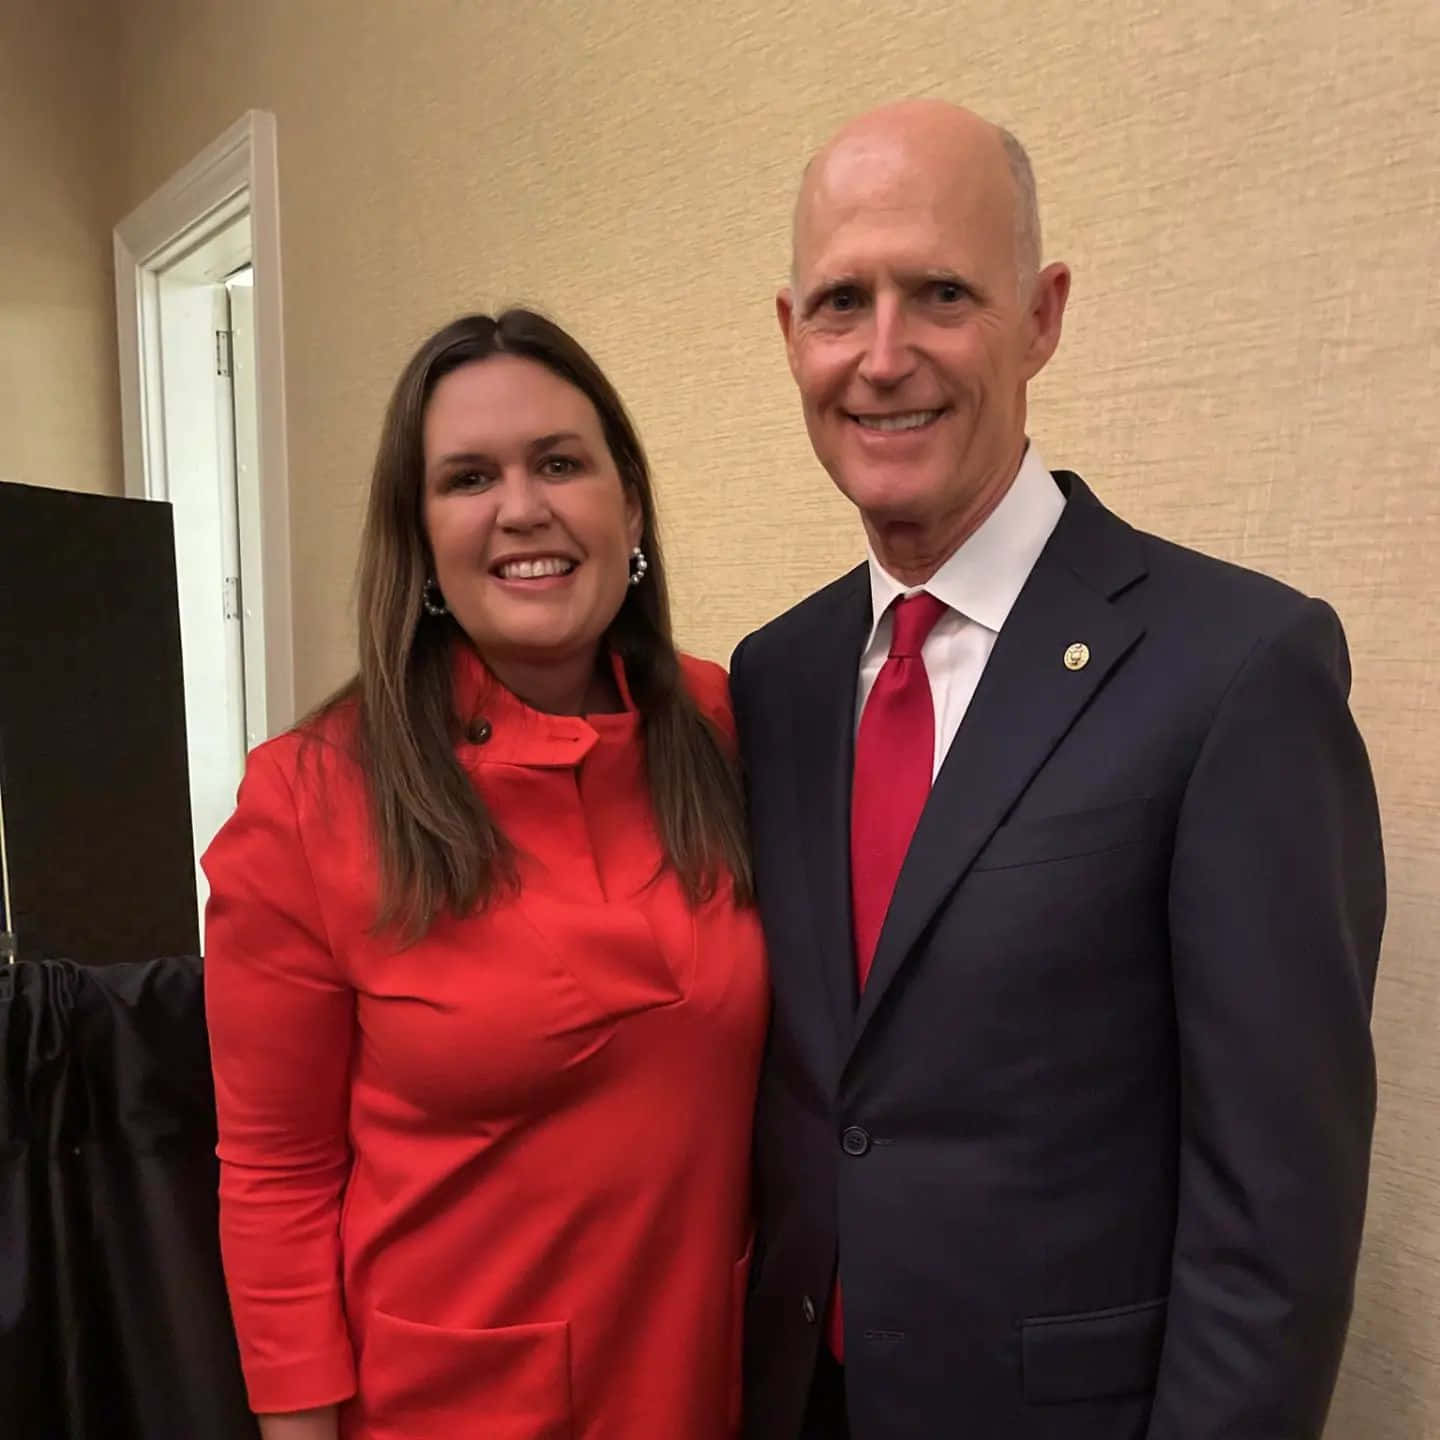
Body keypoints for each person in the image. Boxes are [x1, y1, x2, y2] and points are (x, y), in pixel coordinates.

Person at [731, 100, 1385, 1440]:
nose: (886, 355)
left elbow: (1275, 1225)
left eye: (944, 293)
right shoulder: (772, 680)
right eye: (845, 302)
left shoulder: (1237, 670)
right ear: (791, 336)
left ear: (1042, 315)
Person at [203, 309, 767, 1440]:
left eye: (561, 462)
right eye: (468, 477)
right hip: (452, 1409)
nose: (523, 508)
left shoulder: (730, 727)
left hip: (712, 1381)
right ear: (419, 535)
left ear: (631, 503)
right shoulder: (308, 800)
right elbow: (275, 1175)